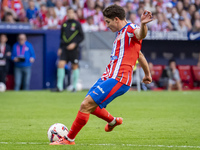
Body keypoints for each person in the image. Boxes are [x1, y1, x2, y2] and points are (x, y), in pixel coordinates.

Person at [50, 4, 153, 145]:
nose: (107, 25)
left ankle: (69, 139)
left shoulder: (131, 29)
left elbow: (140, 34)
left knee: (86, 105)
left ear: (116, 19)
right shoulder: (120, 34)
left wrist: (143, 24)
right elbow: (139, 54)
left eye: (108, 22)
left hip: (119, 79)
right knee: (90, 104)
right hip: (108, 76)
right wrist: (147, 74)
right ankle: (113, 121)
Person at [52, 7, 84, 92]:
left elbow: (82, 36)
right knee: (60, 64)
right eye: (68, 12)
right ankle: (60, 87)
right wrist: (60, 47)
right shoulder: (64, 24)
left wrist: (74, 44)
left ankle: (74, 87)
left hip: (74, 50)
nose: (70, 14)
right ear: (67, 14)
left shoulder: (77, 24)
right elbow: (61, 37)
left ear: (74, 14)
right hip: (64, 49)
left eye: (71, 12)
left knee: (74, 66)